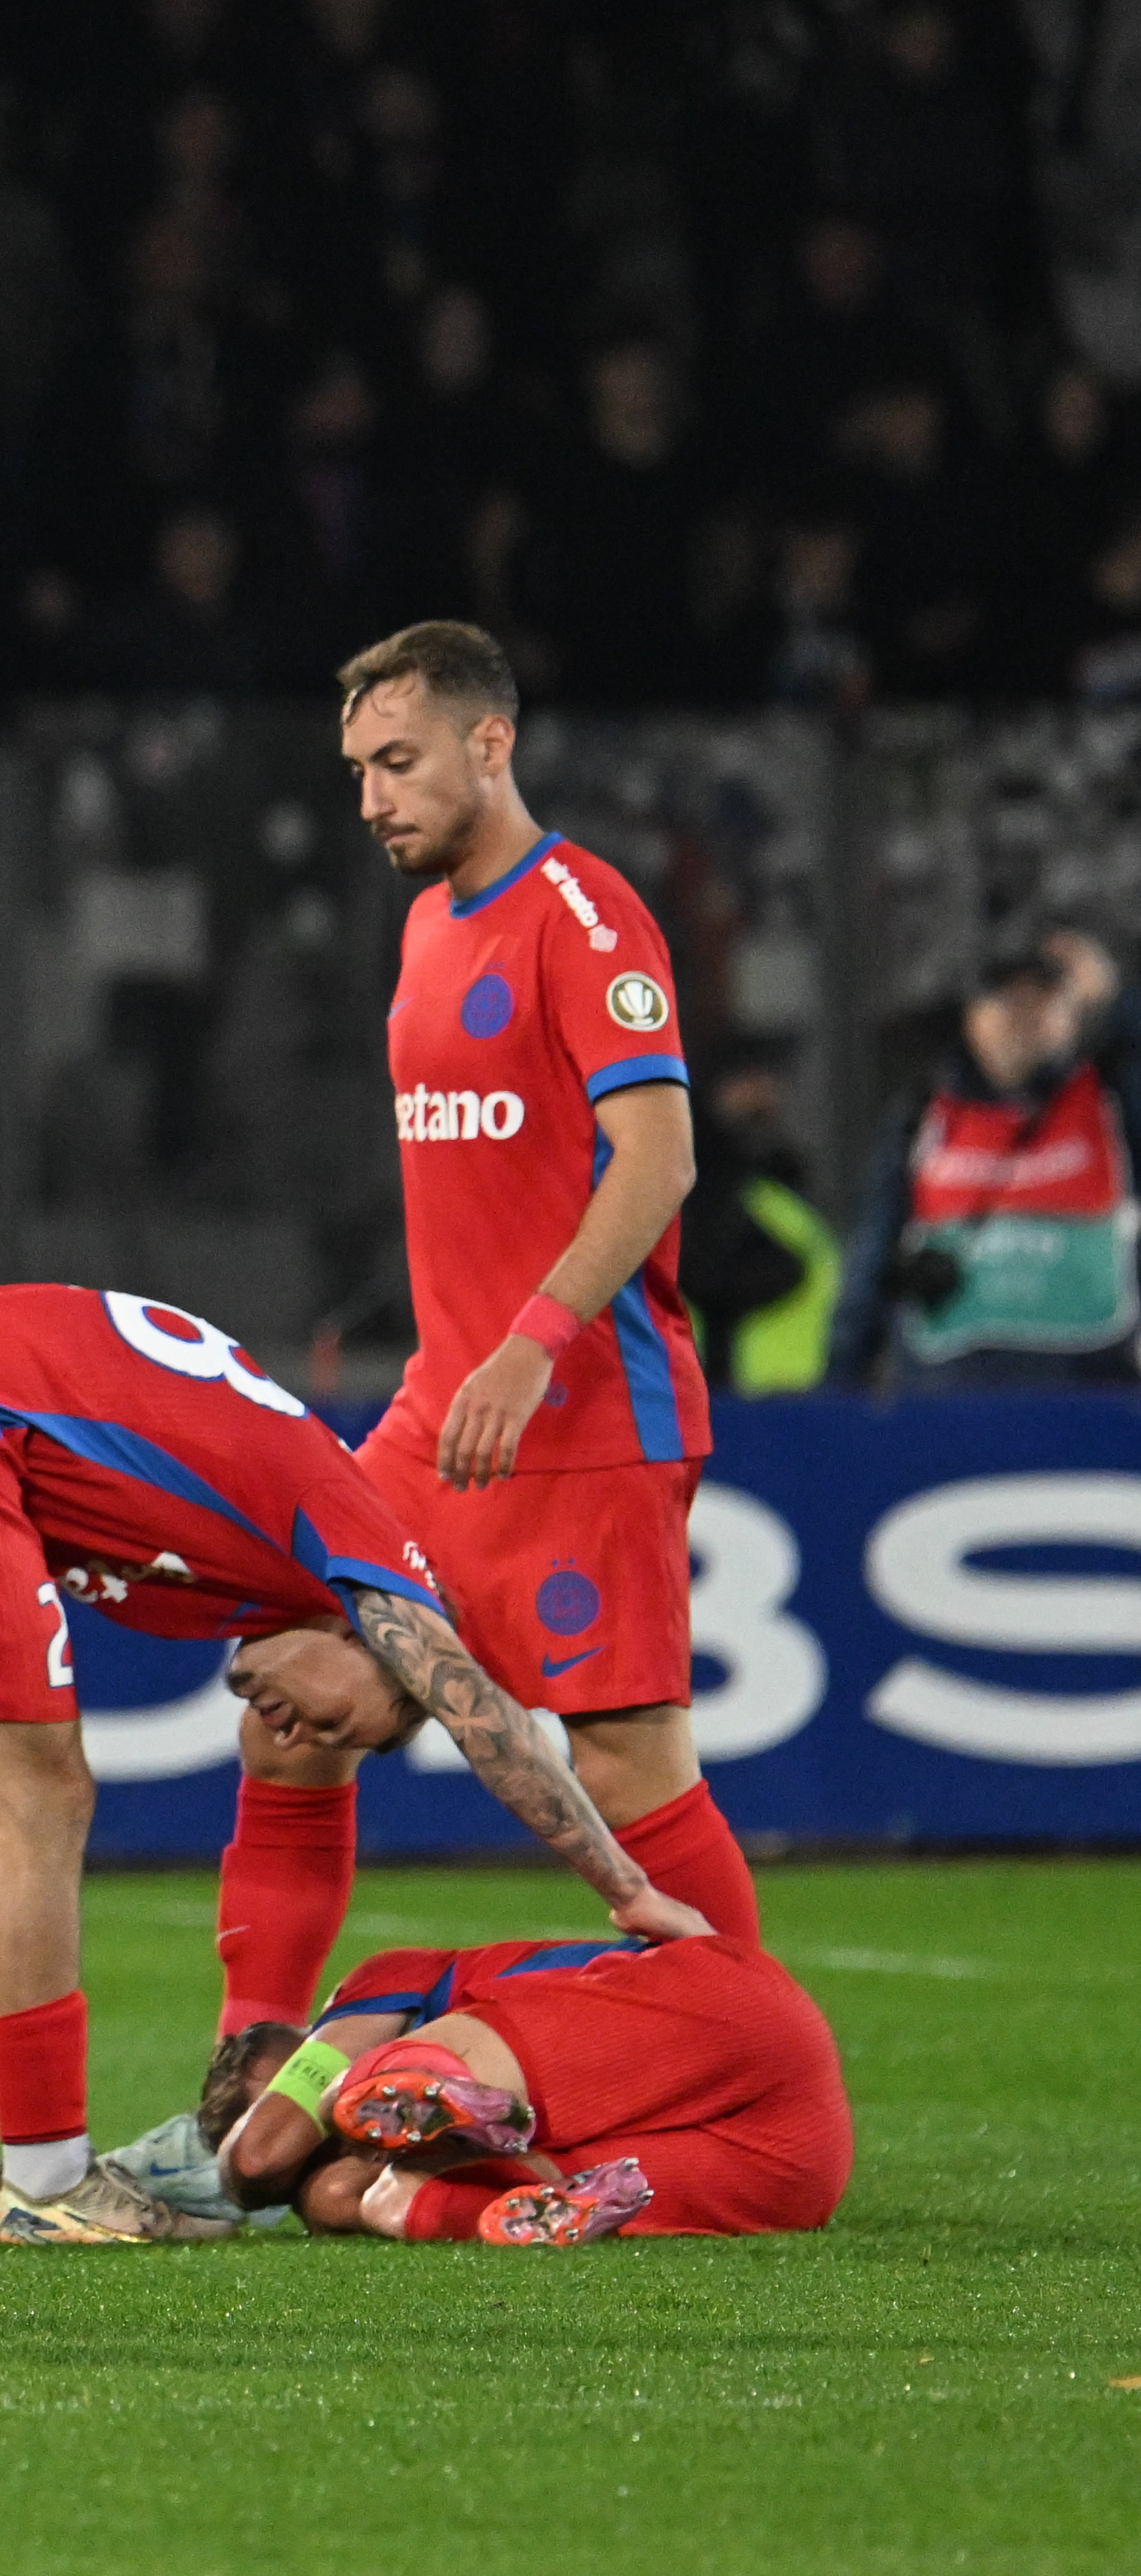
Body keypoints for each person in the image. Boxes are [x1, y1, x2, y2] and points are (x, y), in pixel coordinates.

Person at [0, 1282, 712, 2248]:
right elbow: (477, 1709)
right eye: (349, 1724)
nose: (303, 1738)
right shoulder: (361, 1539)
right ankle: (51, 2180)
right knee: (38, 1793)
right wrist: (625, 1889)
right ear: (360, 1631)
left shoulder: (246, 1543)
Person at [329, 621, 761, 1951]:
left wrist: (527, 1341)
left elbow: (661, 1156)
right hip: (436, 1413)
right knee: (303, 1696)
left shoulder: (585, 911)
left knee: (627, 1762)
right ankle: (245, 2064)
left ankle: (759, 2072)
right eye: (356, 769)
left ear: (490, 741)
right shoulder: (419, 928)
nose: (371, 799)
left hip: (579, 1408)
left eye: (397, 761)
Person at [207, 1929, 851, 2244]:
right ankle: (512, 2187)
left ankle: (437, 2088)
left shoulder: (382, 1982)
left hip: (721, 2011)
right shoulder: (367, 2171)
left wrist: (224, 2182)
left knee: (360, 2104)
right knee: (387, 2199)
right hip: (790, 2165)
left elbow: (257, 2155)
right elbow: (326, 2184)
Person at [828, 931, 1141, 1390]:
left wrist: (1117, 1002)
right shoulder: (922, 1119)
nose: (1024, 1016)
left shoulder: (1115, 1104)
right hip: (949, 1400)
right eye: (1005, 1001)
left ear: (1073, 1018)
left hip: (1095, 1399)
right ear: (973, 1018)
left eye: (1044, 1001)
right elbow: (871, 1259)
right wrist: (837, 1393)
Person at [683, 1032, 840, 1393]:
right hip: (737, 1387)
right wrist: (782, 1271)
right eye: (756, 1078)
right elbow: (706, 1276)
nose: (770, 1090)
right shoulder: (702, 1178)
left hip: (798, 1389)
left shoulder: (775, 1172)